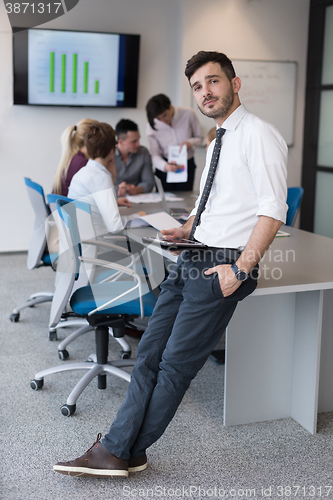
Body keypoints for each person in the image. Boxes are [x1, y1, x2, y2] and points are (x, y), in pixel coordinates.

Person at [53, 50, 288, 478]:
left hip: (222, 266)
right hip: (193, 254)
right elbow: (213, 200)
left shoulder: (260, 134)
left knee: (175, 366)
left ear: (235, 84)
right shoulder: (218, 139)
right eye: (198, 86)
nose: (206, 92)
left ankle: (120, 450)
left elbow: (273, 210)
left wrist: (239, 270)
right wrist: (188, 227)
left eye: (213, 82)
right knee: (148, 355)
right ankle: (121, 448)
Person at [67, 122, 125, 237]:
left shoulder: (81, 173)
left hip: (81, 245)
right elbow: (115, 226)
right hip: (100, 248)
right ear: (112, 150)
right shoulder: (101, 177)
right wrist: (138, 218)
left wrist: (112, 177)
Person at [146, 93, 203, 191]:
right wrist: (165, 166)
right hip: (165, 165)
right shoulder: (152, 126)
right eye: (159, 119)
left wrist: (190, 143)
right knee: (165, 200)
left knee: (185, 198)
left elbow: (200, 138)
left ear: (170, 106)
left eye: (165, 115)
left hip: (186, 164)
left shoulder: (188, 113)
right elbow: (155, 154)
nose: (163, 121)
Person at [52, 118, 98, 196]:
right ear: (91, 139)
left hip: (61, 206)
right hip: (68, 207)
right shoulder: (83, 163)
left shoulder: (74, 158)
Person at [114, 119, 154, 196]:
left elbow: (149, 182)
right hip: (114, 200)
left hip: (138, 199)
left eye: (138, 139)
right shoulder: (108, 155)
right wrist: (117, 189)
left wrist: (136, 189)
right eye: (134, 141)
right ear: (120, 142)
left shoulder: (143, 152)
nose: (138, 144)